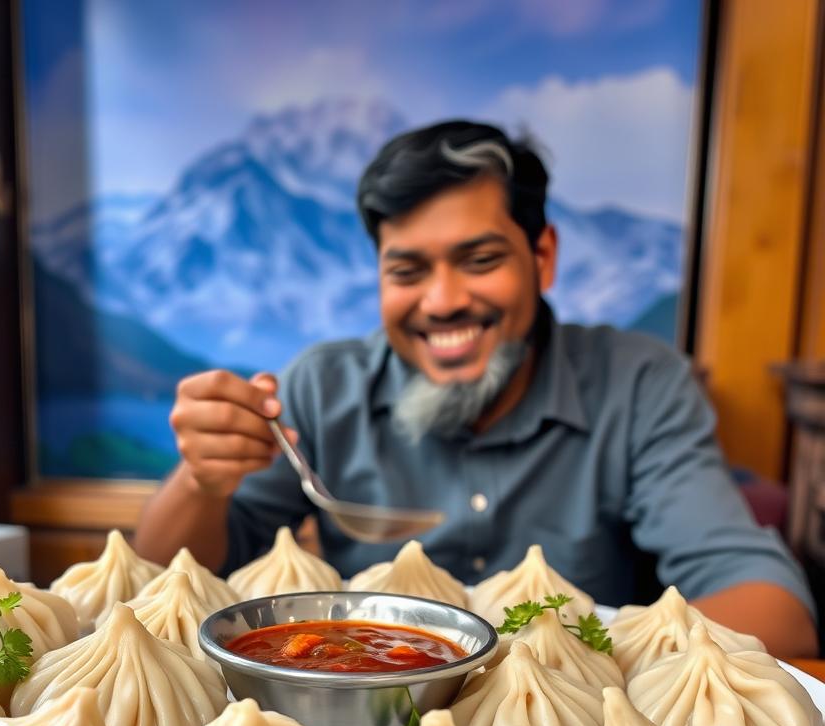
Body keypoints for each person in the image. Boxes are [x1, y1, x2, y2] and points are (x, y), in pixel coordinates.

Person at [135, 120, 817, 658]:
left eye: (480, 260)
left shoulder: (639, 384)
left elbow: (776, 616)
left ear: (542, 256)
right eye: (407, 271)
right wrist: (203, 479)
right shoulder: (321, 385)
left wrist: (554, 658)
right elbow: (163, 582)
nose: (443, 301)